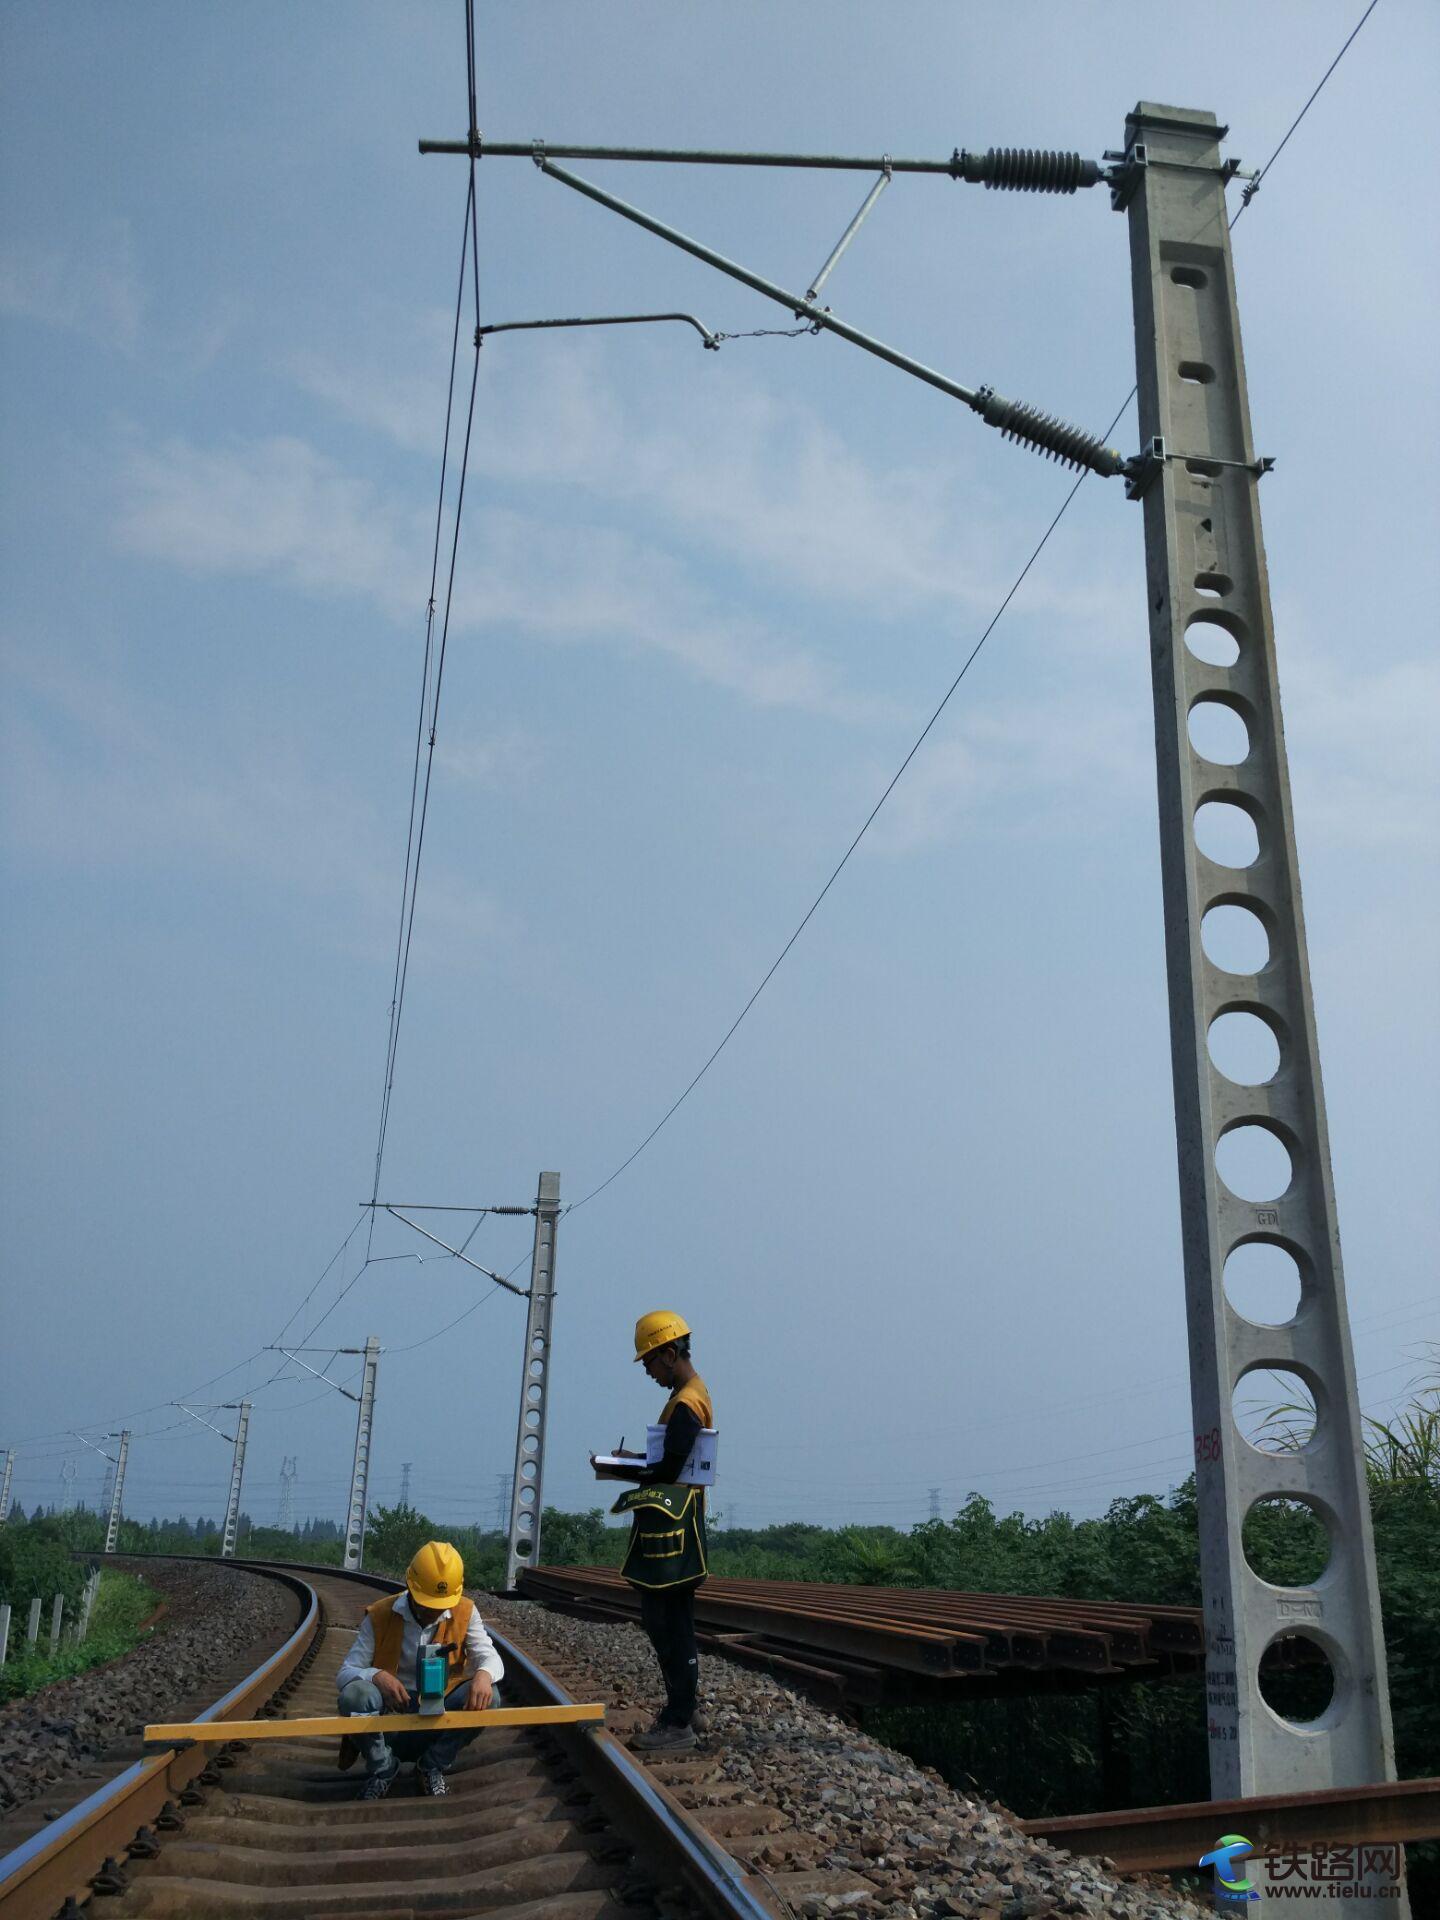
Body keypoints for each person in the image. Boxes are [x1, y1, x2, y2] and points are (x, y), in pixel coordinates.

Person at [592, 1309, 714, 1753]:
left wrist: (617, 1469)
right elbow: (670, 1461)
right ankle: (687, 1707)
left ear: (669, 1352)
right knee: (672, 1616)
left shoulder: (686, 1404)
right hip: (678, 1523)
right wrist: (633, 1459)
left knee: (667, 1619)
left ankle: (678, 1718)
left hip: (674, 1528)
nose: (648, 1371)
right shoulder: (688, 1396)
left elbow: (667, 1469)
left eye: (649, 1362)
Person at [336, 1539, 504, 1799]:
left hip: (439, 1713)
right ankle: (383, 1768)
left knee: (490, 1695)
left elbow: (490, 1657)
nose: (433, 1612)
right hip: (392, 1717)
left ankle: (432, 1765)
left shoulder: (466, 1612)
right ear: (410, 1587)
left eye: (441, 1605)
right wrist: (377, 1676)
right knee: (355, 1694)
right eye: (427, 1604)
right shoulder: (380, 1615)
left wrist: (483, 1675)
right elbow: (346, 1672)